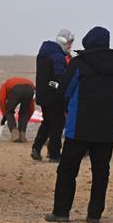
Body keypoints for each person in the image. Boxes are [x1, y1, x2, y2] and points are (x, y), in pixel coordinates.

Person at [45, 26, 113, 223]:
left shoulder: (78, 63)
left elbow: (65, 91)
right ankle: (94, 214)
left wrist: (66, 108)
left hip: (79, 126)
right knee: (101, 171)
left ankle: (61, 212)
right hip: (107, 128)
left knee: (68, 169)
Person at [31, 29, 74, 162]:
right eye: (69, 43)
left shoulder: (44, 54)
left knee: (47, 122)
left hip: (43, 95)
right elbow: (59, 77)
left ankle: (36, 148)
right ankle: (54, 154)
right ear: (63, 42)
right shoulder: (58, 56)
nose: (70, 46)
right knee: (57, 124)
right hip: (54, 96)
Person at [0, 77, 35, 142]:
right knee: (24, 112)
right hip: (30, 88)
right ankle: (22, 135)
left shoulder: (5, 84)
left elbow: (1, 99)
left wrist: (5, 115)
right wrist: (26, 120)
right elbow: (31, 108)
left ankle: (14, 134)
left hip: (16, 89)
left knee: (9, 111)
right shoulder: (12, 82)